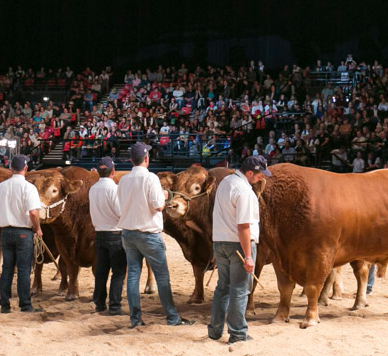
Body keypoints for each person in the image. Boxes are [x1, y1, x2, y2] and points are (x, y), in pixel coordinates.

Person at [118, 142, 194, 329]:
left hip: (128, 232)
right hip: (148, 233)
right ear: (146, 159)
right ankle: (172, 317)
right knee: (162, 277)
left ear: (130, 160)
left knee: (133, 275)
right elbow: (158, 206)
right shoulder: (150, 178)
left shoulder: (124, 180)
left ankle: (135, 319)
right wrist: (165, 195)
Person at [208, 155, 270, 344]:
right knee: (240, 289)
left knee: (223, 287)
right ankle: (237, 333)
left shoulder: (226, 181)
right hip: (238, 244)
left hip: (220, 241)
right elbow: (243, 226)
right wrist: (249, 257)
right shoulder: (244, 191)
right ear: (250, 173)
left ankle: (215, 330)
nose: (262, 178)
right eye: (260, 175)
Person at [0, 154, 43, 313]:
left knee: (7, 268)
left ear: (10, 168)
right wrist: (37, 228)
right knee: (23, 270)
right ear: (26, 168)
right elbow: (34, 213)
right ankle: (25, 304)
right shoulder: (29, 187)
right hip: (23, 232)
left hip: (5, 231)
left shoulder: (1, 186)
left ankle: (4, 304)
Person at [88, 156, 126, 316]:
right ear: (113, 171)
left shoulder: (93, 188)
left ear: (98, 171)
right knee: (118, 271)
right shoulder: (115, 189)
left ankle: (99, 303)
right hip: (115, 233)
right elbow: (120, 212)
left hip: (99, 233)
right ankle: (115, 306)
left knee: (101, 271)